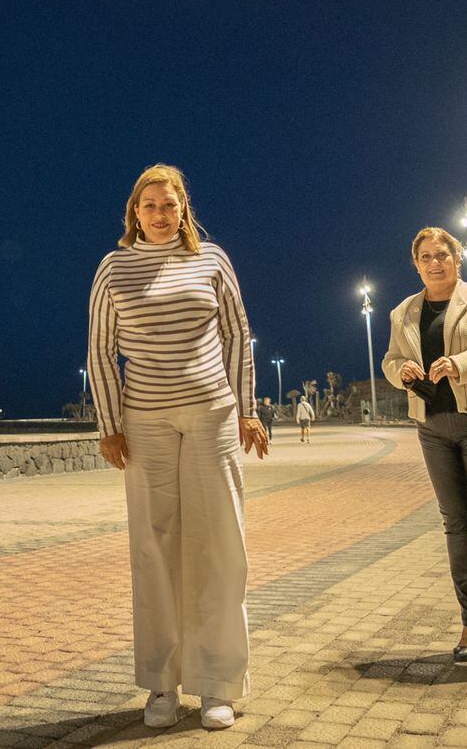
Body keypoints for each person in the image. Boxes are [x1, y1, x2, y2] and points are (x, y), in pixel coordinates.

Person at [88, 164, 267, 731]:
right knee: (154, 547)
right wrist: (111, 425)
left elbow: (238, 335)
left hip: (213, 414)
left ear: (184, 209)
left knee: (220, 544)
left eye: (169, 205)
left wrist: (249, 409)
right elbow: (100, 351)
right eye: (149, 207)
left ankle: (217, 683)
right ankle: (161, 685)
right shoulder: (113, 268)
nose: (160, 215)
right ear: (133, 213)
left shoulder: (211, 260)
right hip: (145, 424)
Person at [381, 226, 467, 675]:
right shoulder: (403, 311)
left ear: (457, 259)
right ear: (416, 263)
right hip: (432, 426)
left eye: (442, 254)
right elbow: (387, 361)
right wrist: (399, 370)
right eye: (425, 256)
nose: (434, 262)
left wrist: (460, 364)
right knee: (455, 526)